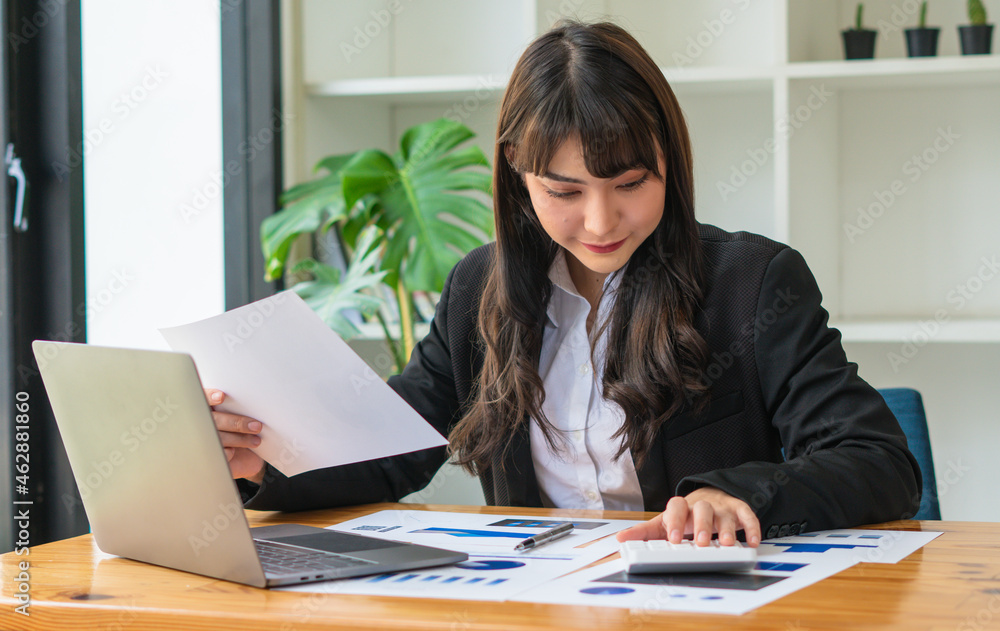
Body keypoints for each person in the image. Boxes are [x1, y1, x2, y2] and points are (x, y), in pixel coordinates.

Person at [209, 21, 920, 548]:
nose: (601, 219)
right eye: (564, 190)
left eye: (630, 183)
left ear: (668, 161)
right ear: (519, 175)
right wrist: (263, 462)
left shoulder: (753, 283)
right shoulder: (478, 290)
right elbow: (388, 451)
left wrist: (736, 493)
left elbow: (880, 461)